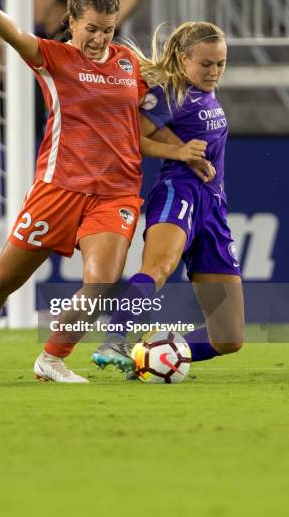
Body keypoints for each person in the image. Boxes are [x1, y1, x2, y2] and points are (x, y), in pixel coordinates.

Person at [0, 0, 207, 385]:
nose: (99, 39)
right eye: (91, 30)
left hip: (115, 192)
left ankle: (52, 358)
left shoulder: (129, 63)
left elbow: (145, 119)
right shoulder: (55, 57)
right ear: (72, 22)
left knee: (101, 280)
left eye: (108, 30)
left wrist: (182, 152)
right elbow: (14, 35)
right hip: (59, 188)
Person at [92, 21, 245, 372]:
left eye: (220, 63)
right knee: (159, 267)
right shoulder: (167, 94)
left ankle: (148, 358)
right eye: (205, 64)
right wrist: (179, 153)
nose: (213, 71)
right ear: (183, 57)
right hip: (179, 192)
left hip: (214, 206)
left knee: (229, 336)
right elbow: (131, 140)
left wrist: (179, 145)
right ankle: (115, 338)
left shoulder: (203, 93)